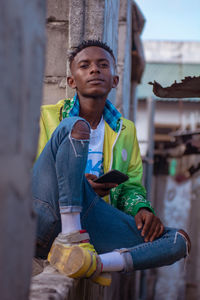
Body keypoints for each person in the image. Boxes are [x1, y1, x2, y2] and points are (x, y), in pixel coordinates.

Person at [32, 40, 191, 286]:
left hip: (93, 217)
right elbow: (34, 171)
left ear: (115, 79)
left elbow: (131, 186)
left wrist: (142, 209)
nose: (94, 70)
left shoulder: (126, 130)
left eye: (103, 65)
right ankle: (71, 237)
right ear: (72, 80)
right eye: (85, 66)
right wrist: (75, 183)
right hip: (44, 215)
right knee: (74, 126)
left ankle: (91, 262)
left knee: (178, 240)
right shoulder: (47, 116)